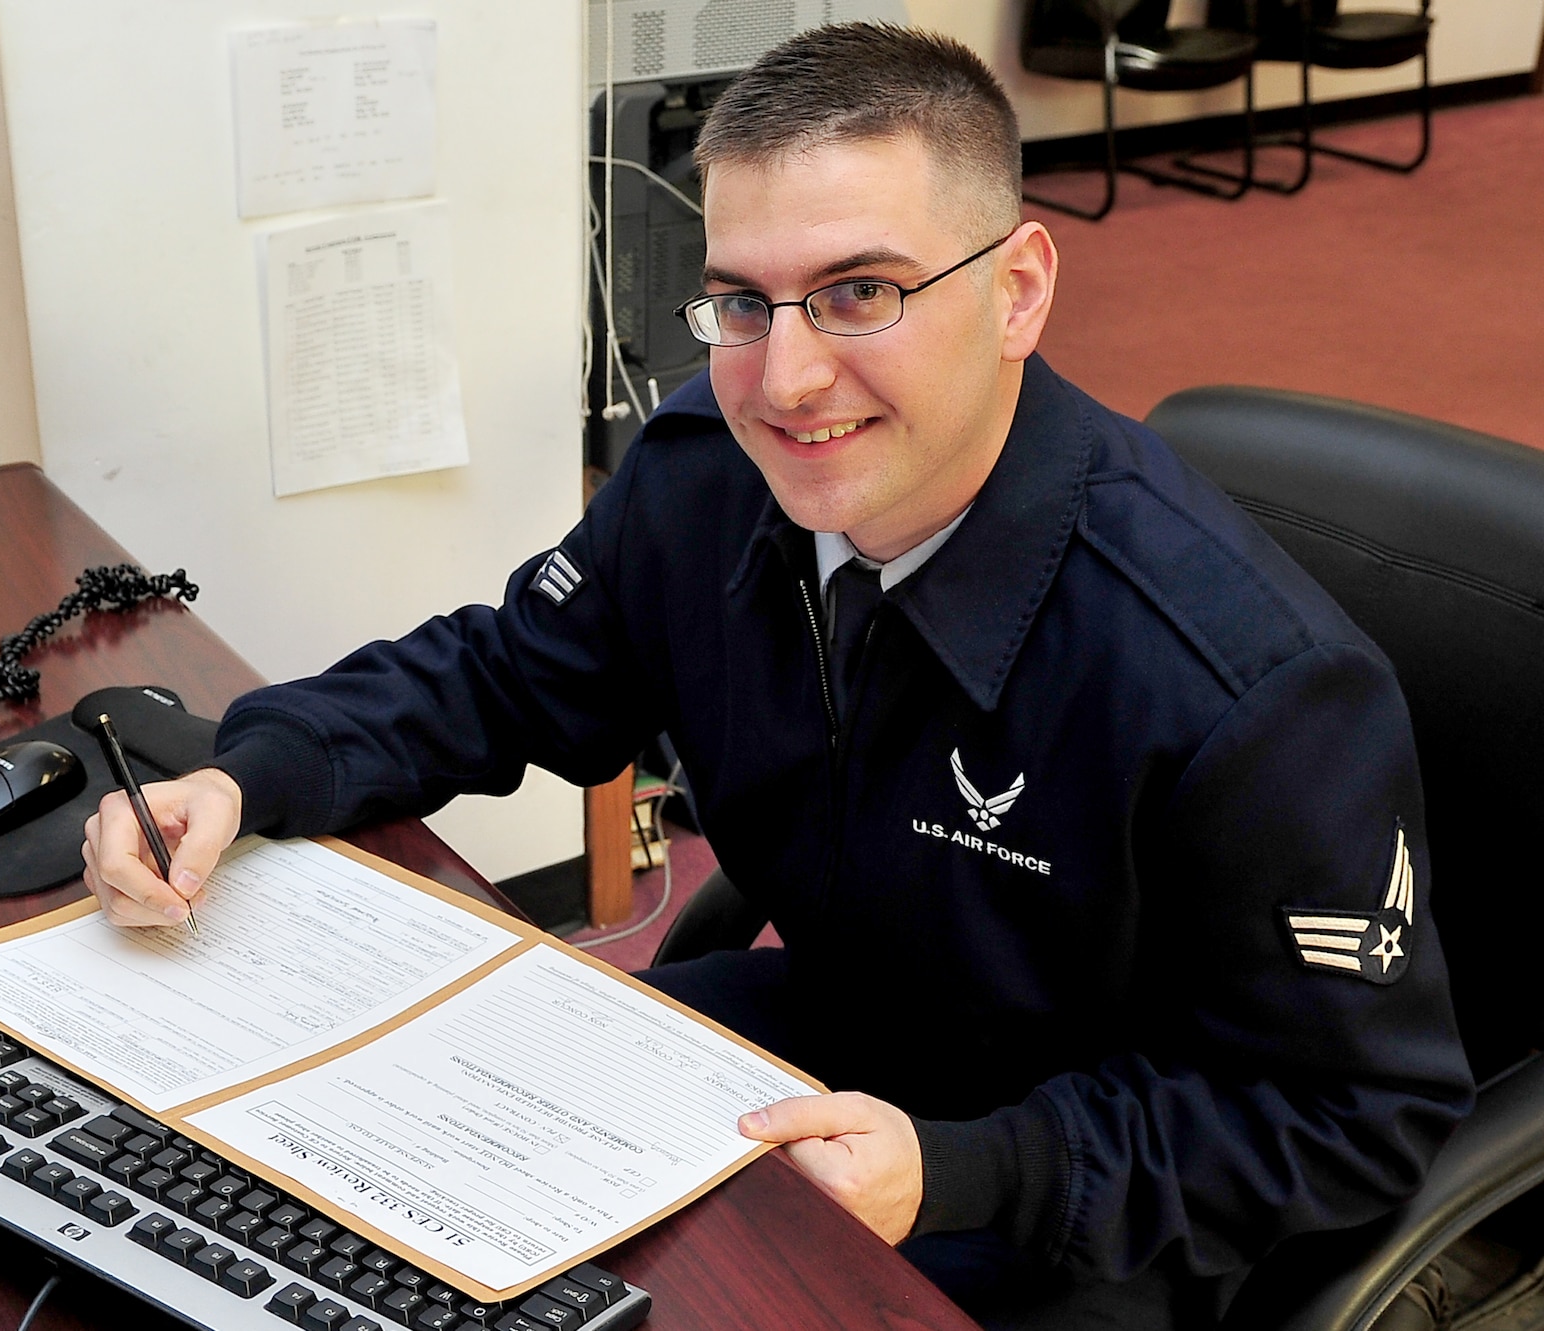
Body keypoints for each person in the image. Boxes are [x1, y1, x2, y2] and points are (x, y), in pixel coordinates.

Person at [81, 23, 1474, 1329]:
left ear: (1019, 291)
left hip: (1083, 1186)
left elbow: (1352, 1122)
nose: (787, 378)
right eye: (742, 302)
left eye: (860, 293)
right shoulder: (709, 477)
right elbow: (511, 674)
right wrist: (247, 771)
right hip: (838, 1029)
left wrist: (966, 1173)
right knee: (353, 1195)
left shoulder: (1242, 683)